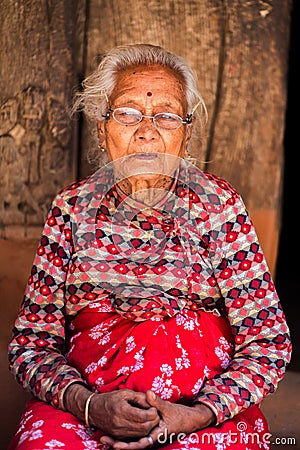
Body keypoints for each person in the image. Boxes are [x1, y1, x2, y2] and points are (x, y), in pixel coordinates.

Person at [8, 43, 292, 450]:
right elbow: (32, 343)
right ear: (102, 128)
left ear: (186, 132)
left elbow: (269, 340)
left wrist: (196, 414)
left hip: (203, 413)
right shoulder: (72, 209)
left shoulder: (218, 207)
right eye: (127, 113)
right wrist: (88, 405)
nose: (147, 130)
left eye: (166, 116)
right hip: (86, 410)